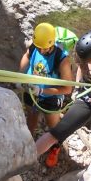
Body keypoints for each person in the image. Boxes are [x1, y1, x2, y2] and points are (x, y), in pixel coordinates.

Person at [34, 30, 91, 163]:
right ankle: (35, 154)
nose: (88, 64)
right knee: (60, 130)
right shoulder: (86, 56)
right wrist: (77, 90)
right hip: (88, 95)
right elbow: (80, 70)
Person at [19, 22, 74, 167]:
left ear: (52, 43)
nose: (41, 51)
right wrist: (20, 75)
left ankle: (55, 147)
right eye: (39, 47)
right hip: (31, 90)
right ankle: (28, 141)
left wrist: (43, 91)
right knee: (31, 116)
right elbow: (27, 55)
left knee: (54, 128)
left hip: (51, 97)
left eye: (44, 48)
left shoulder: (62, 59)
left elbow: (68, 89)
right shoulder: (35, 46)